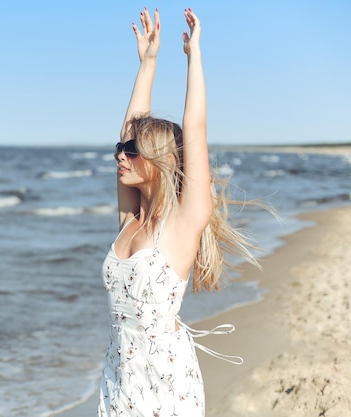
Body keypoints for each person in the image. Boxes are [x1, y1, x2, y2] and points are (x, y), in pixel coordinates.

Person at [98, 7, 260, 417]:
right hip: (118, 376)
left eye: (131, 151)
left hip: (165, 381)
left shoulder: (183, 226)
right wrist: (148, 62)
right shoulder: (129, 222)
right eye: (120, 149)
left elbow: (195, 129)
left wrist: (194, 57)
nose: (120, 154)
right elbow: (129, 128)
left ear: (159, 159)